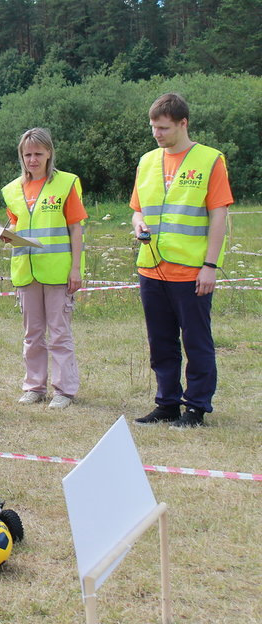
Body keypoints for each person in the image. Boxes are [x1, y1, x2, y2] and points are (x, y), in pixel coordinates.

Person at [131, 93, 233, 429]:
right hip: (152, 267)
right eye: (153, 128)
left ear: (183, 123)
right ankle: (167, 403)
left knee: (196, 341)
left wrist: (210, 265)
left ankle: (197, 407)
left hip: (191, 272)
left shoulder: (209, 160)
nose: (156, 134)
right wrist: (138, 224)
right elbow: (138, 210)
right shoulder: (147, 162)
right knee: (160, 342)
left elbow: (219, 217)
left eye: (163, 128)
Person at [2, 127, 86, 409]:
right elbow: (16, 224)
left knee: (59, 332)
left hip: (58, 271)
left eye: (38, 153)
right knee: (32, 333)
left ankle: (64, 390)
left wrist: (76, 269)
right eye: (28, 154)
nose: (33, 160)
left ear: (49, 153)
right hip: (26, 271)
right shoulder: (12, 189)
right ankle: (34, 387)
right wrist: (6, 232)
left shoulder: (67, 183)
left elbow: (76, 229)